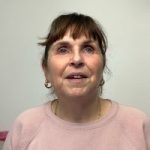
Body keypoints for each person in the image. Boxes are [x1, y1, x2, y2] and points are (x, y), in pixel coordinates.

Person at [3, 12, 150, 150]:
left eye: (88, 48)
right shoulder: (25, 126)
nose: (77, 59)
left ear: (102, 66)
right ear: (46, 70)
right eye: (63, 49)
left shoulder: (138, 125)